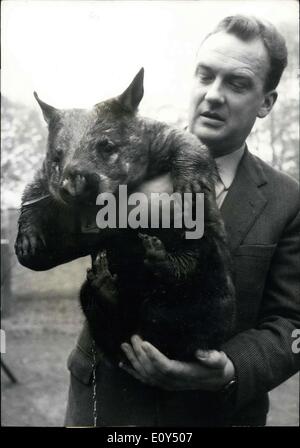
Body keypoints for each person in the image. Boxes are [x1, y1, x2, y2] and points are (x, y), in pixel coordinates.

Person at [19, 15, 300, 426]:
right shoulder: (125, 155)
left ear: (266, 102)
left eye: (237, 83)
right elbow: (38, 254)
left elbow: (292, 324)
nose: (213, 95)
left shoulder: (287, 199)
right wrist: (108, 200)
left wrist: (232, 369)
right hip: (109, 405)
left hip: (216, 414)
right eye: (205, 75)